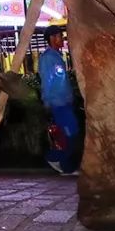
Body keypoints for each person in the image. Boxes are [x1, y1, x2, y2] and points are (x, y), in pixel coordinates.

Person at [38, 25, 79, 175]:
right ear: (52, 38)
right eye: (59, 36)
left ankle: (66, 165)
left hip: (64, 102)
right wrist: (47, 101)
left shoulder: (56, 56)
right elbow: (47, 82)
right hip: (58, 103)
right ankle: (55, 158)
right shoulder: (48, 58)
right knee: (70, 133)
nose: (62, 39)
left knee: (70, 133)